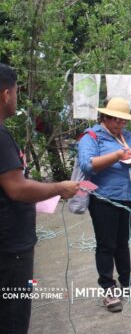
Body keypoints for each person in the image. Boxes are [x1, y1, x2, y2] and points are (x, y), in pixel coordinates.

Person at [0, 63, 80, 334]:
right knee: (13, 314)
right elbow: (16, 188)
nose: (17, 97)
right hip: (11, 249)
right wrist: (58, 187)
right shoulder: (0, 135)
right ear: (6, 94)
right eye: (16, 91)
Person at [78, 97, 131, 313]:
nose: (120, 125)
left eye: (123, 121)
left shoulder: (128, 136)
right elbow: (88, 164)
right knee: (106, 244)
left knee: (123, 241)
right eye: (116, 120)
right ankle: (108, 288)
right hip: (104, 199)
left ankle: (128, 281)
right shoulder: (92, 137)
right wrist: (117, 156)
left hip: (128, 197)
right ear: (105, 117)